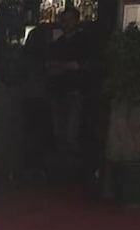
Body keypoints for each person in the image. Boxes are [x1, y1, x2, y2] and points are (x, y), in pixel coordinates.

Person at [46, 8, 92, 177]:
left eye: (70, 20)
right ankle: (62, 172)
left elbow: (78, 65)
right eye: (64, 20)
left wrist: (61, 66)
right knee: (59, 134)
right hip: (57, 92)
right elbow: (50, 66)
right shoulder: (57, 43)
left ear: (77, 21)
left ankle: (74, 173)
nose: (66, 23)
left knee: (72, 133)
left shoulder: (83, 41)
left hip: (75, 92)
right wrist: (66, 66)